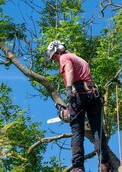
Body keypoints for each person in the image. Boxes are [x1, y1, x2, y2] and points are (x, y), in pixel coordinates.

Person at [44, 40, 111, 172]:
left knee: (77, 131)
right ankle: (104, 164)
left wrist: (69, 89)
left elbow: (68, 69)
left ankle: (78, 167)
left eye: (54, 57)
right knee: (97, 129)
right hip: (93, 94)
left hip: (79, 94)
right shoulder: (80, 59)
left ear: (57, 51)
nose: (55, 60)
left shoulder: (64, 57)